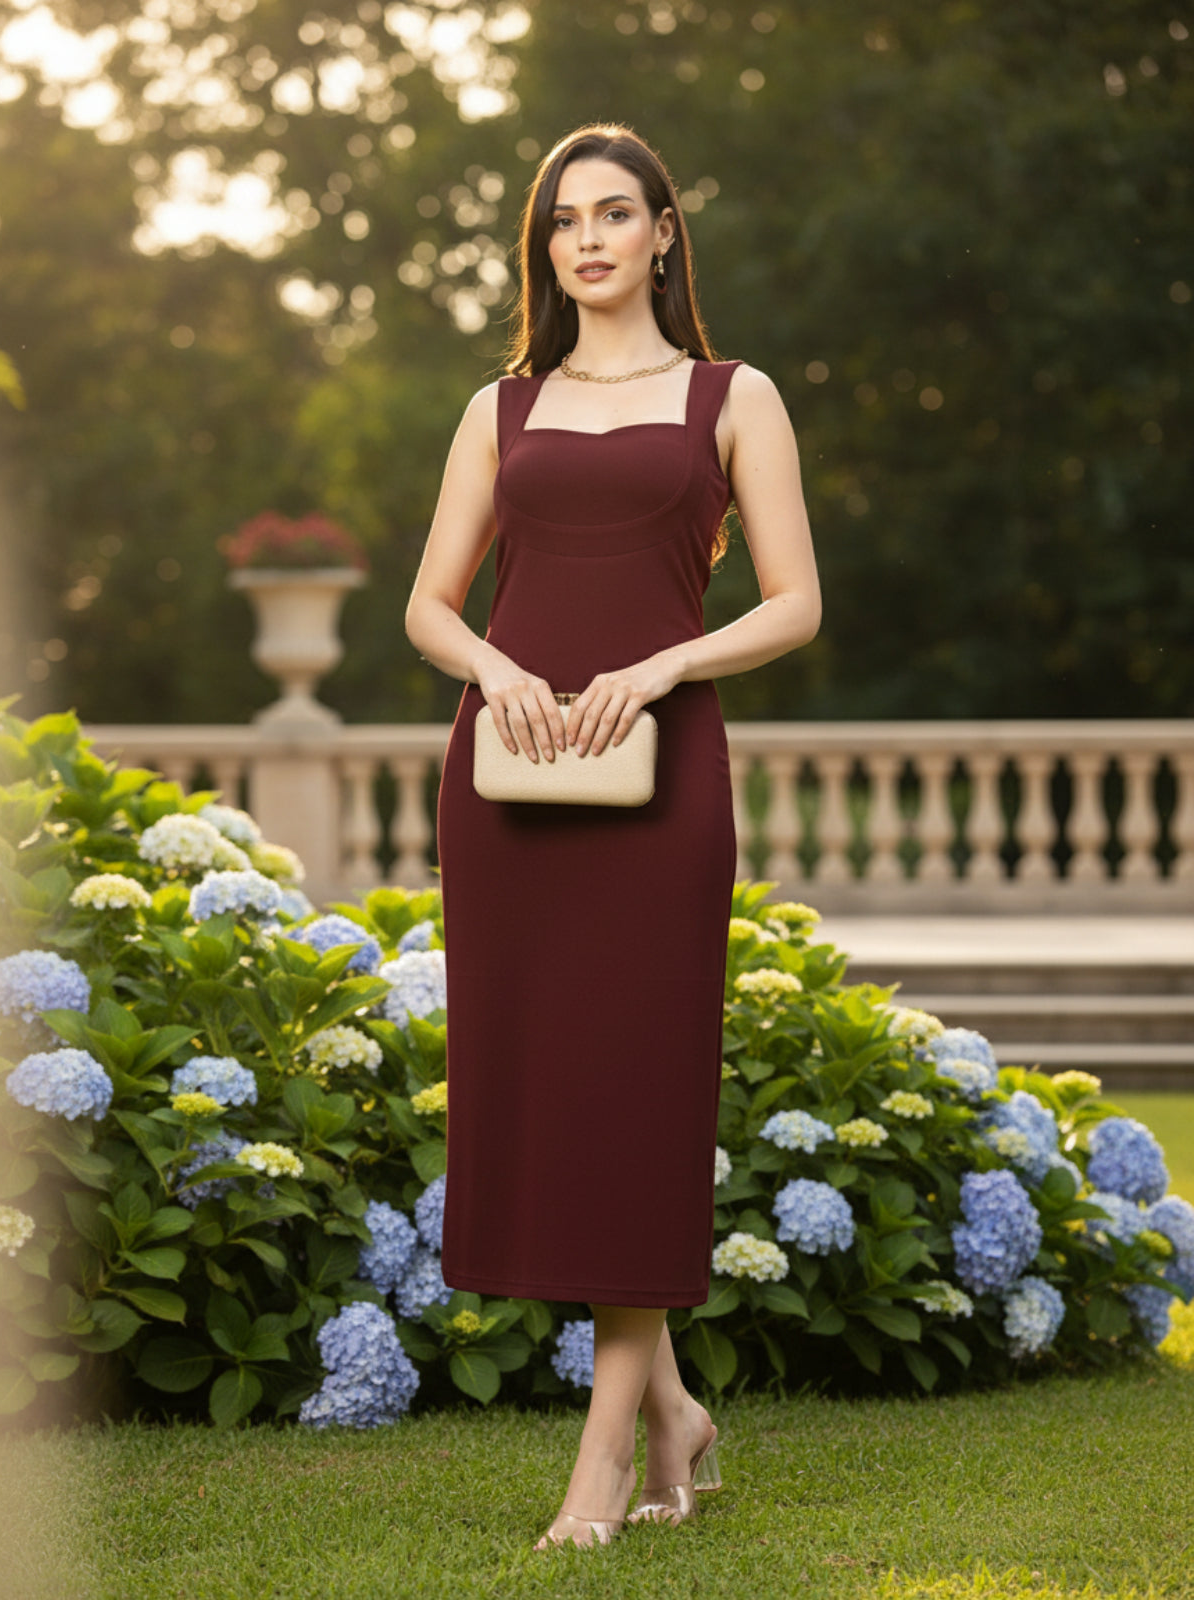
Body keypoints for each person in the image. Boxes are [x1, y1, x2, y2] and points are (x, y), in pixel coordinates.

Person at [404, 122, 820, 1551]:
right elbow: (429, 605)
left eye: (614, 213)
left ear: (662, 232)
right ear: (548, 247)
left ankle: (601, 1464)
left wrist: (663, 665)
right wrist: (496, 669)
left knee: (637, 1095)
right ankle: (675, 1410)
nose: (587, 239)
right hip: (510, 777)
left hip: (661, 778)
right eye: (563, 220)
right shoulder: (500, 407)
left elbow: (794, 602)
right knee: (553, 1098)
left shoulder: (734, 395)